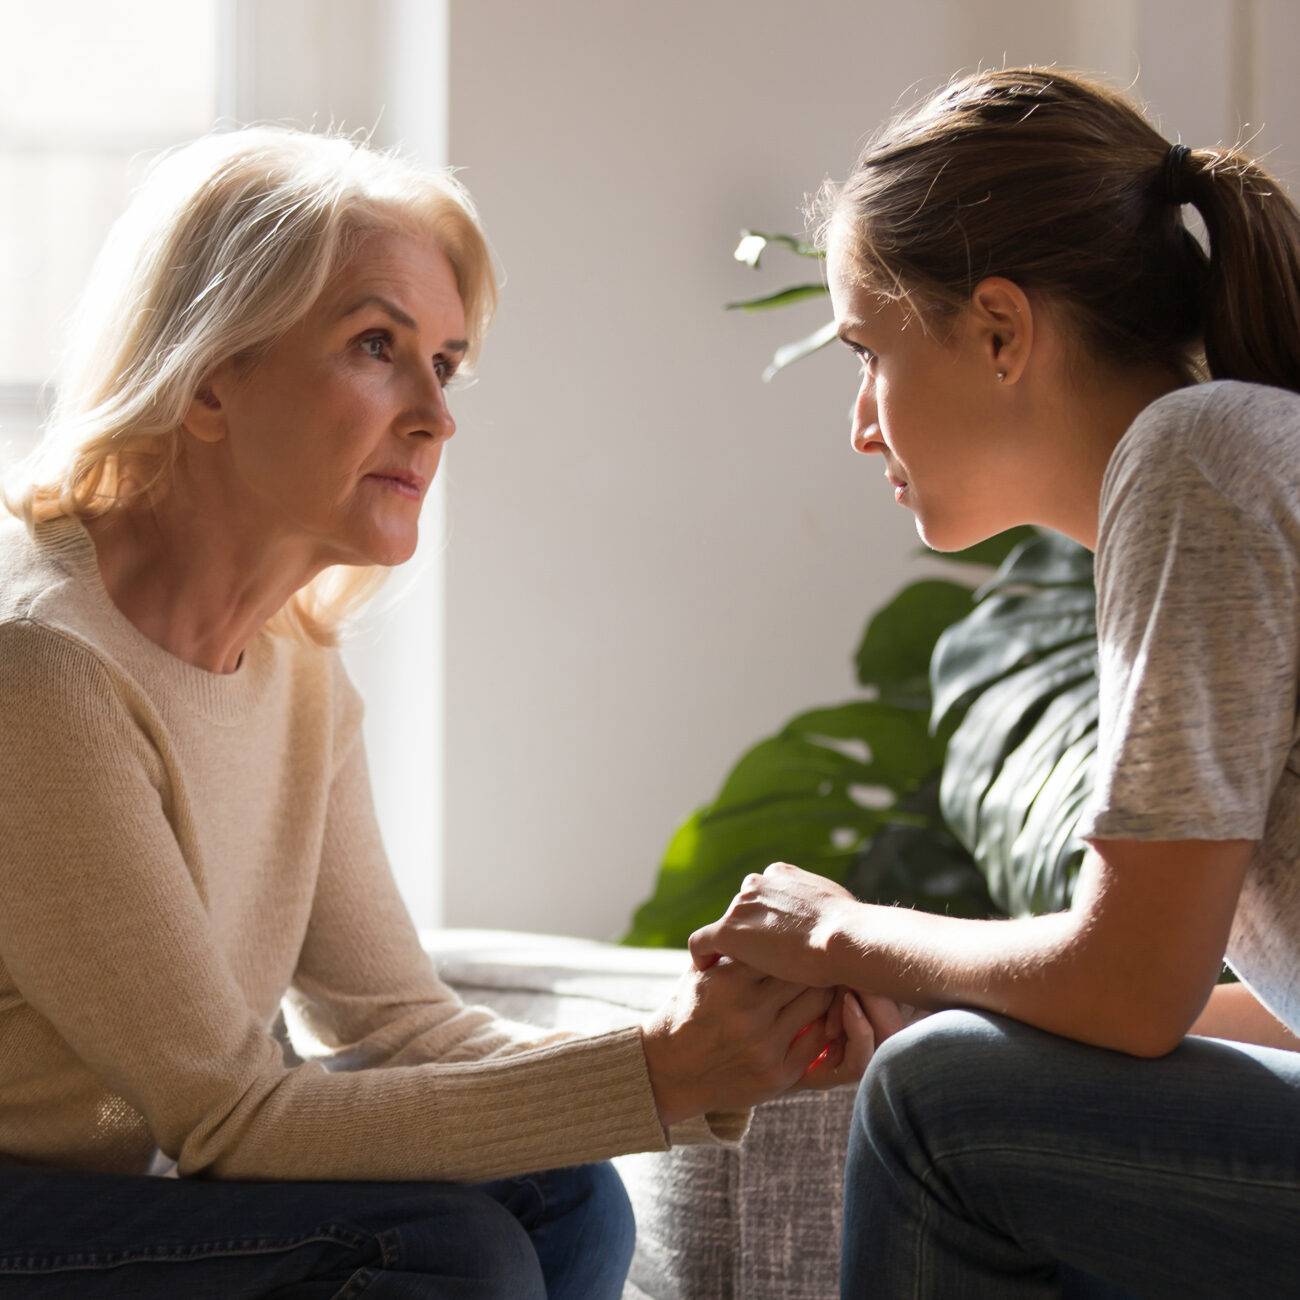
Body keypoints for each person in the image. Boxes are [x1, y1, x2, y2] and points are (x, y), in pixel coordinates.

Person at [0, 126, 872, 1298]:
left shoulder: (299, 670)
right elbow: (227, 1114)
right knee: (446, 1251)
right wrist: (661, 1070)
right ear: (208, 376)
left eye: (446, 365)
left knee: (559, 1193)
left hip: (121, 1187)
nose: (435, 416)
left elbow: (402, 1024)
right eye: (377, 346)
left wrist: (702, 1051)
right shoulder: (44, 670)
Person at [689, 67, 1300, 1297]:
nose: (863, 424)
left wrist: (840, 929)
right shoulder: (1229, 455)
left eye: (869, 351)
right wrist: (959, 1003)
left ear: (1002, 331)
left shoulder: (1198, 462)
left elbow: (1130, 984)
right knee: (957, 1065)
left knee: (936, 1108)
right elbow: (1241, 1010)